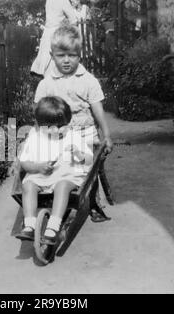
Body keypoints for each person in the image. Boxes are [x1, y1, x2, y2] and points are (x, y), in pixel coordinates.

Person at [34, 24, 113, 221]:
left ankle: (93, 203)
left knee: (89, 170)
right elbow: (39, 113)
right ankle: (61, 202)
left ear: (79, 55)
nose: (67, 60)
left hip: (85, 132)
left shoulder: (88, 80)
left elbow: (97, 109)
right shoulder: (46, 83)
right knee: (59, 167)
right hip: (56, 135)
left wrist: (106, 135)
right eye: (61, 55)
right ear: (52, 55)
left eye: (72, 55)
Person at [16, 97, 94, 244]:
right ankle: (30, 223)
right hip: (41, 175)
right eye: (50, 126)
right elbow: (25, 162)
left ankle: (54, 224)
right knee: (28, 186)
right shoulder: (35, 138)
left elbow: (89, 159)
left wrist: (77, 153)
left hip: (66, 174)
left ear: (68, 122)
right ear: (40, 125)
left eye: (61, 125)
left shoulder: (73, 136)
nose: (57, 130)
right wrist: (38, 167)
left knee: (63, 186)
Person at [31, 0, 77, 78]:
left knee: (49, 63)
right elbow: (73, 20)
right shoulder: (63, 1)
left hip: (47, 33)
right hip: (56, 34)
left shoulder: (49, 1)